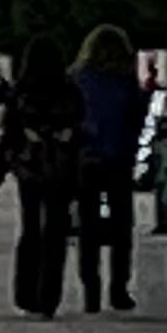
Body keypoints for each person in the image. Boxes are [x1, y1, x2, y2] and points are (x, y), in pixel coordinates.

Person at [0, 58, 85, 318]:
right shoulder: (69, 92)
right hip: (61, 171)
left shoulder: (21, 93)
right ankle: (49, 298)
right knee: (55, 233)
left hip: (30, 170)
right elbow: (81, 131)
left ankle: (26, 294)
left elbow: (8, 135)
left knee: (30, 229)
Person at [70, 26, 149, 316]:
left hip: (87, 158)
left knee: (88, 227)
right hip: (119, 157)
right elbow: (138, 116)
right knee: (121, 227)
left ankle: (91, 291)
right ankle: (119, 289)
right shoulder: (125, 81)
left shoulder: (78, 79)